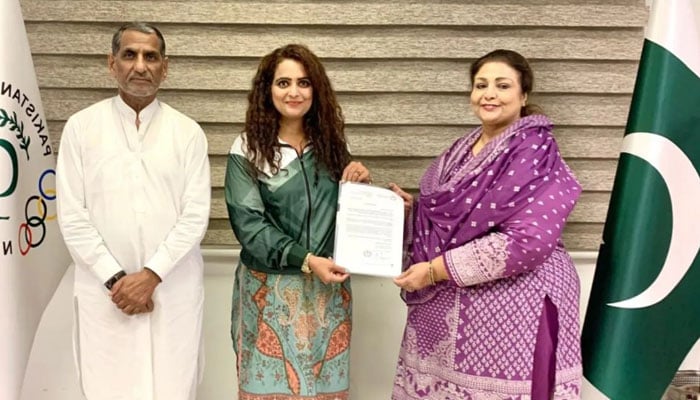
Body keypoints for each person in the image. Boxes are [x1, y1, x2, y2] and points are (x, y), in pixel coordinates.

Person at [389, 49, 583, 399]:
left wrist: (434, 270)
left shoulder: (535, 149)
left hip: (519, 301)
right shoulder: (460, 150)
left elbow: (527, 241)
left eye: (502, 85)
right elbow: (445, 217)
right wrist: (410, 212)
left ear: (523, 96)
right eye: (481, 85)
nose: (489, 93)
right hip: (450, 305)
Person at [56, 22, 210, 400]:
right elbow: (73, 216)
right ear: (112, 64)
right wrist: (117, 281)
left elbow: (195, 217)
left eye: (151, 56)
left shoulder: (187, 133)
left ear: (165, 67)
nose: (140, 66)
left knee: (174, 386)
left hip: (172, 291)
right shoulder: (81, 128)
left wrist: (151, 275)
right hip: (106, 296)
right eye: (130, 55)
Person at [224, 44, 370, 399]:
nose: (294, 92)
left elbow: (342, 217)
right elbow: (250, 228)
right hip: (269, 293)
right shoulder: (248, 149)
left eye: (304, 83)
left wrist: (360, 187)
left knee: (325, 391)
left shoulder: (332, 146)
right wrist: (305, 259)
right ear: (267, 90)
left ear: (316, 90)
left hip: (327, 294)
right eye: (283, 82)